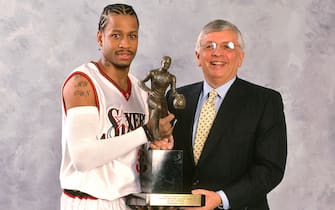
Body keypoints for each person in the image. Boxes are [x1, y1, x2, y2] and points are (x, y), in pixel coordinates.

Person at [59, 4, 174, 210]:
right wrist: (147, 132)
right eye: (116, 35)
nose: (125, 44)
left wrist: (160, 144)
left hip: (132, 201)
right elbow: (83, 158)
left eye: (132, 36)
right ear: (100, 38)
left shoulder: (141, 90)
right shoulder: (83, 83)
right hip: (90, 202)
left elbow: (135, 149)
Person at [167, 19, 287, 210]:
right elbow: (169, 157)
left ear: (240, 57)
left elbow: (270, 168)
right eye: (209, 46)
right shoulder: (177, 99)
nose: (217, 53)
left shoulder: (265, 102)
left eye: (228, 46)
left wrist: (221, 198)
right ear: (198, 56)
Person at [139, 56, 185, 139]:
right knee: (157, 107)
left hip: (162, 99)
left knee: (167, 117)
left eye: (168, 63)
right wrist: (149, 91)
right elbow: (140, 82)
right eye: (165, 62)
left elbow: (173, 92)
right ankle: (154, 132)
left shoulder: (171, 77)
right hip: (153, 98)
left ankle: (165, 140)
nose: (166, 64)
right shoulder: (153, 73)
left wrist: (178, 96)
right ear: (161, 62)